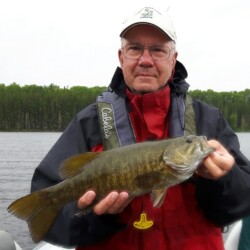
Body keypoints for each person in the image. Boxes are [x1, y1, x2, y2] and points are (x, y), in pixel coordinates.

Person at [31, 6, 250, 250]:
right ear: (121, 57)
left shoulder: (208, 120)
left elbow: (240, 205)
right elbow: (55, 226)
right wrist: (96, 217)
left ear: (173, 58)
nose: (145, 61)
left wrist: (225, 180)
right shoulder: (88, 123)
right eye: (135, 48)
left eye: (157, 50)